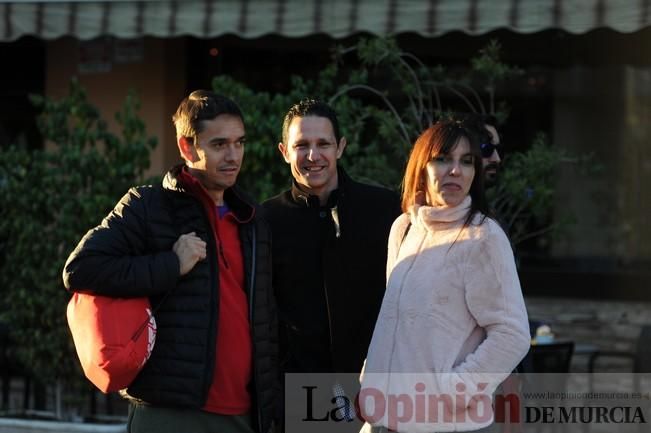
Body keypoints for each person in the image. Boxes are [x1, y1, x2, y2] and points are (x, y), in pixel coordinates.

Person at [62, 90, 278, 433]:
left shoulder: (254, 220)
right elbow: (80, 269)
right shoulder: (148, 206)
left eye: (239, 143)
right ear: (186, 147)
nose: (233, 155)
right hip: (169, 412)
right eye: (219, 144)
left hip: (244, 414)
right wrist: (170, 266)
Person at [359, 118, 530, 433]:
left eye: (466, 162)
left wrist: (453, 390)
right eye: (443, 159)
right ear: (421, 167)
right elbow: (395, 321)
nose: (455, 170)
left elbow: (513, 335)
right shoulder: (403, 228)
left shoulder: (483, 237)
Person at [262, 98, 401, 376]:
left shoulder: (387, 210)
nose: (313, 156)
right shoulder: (265, 220)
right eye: (301, 145)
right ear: (284, 151)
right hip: (298, 391)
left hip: (379, 382)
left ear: (340, 147)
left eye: (323, 144)